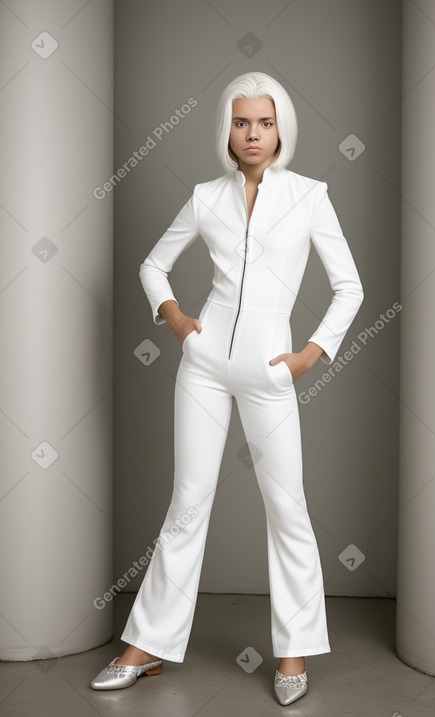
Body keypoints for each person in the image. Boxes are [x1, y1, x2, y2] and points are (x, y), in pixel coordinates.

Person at [91, 71, 364, 706]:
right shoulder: (205, 196)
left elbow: (350, 286)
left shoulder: (309, 196)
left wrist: (307, 357)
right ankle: (146, 646)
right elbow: (152, 265)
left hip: (272, 373)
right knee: (187, 503)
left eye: (264, 122)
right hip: (204, 366)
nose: (253, 134)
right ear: (227, 129)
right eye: (242, 122)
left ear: (281, 129)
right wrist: (182, 324)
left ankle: (293, 649)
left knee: (288, 508)